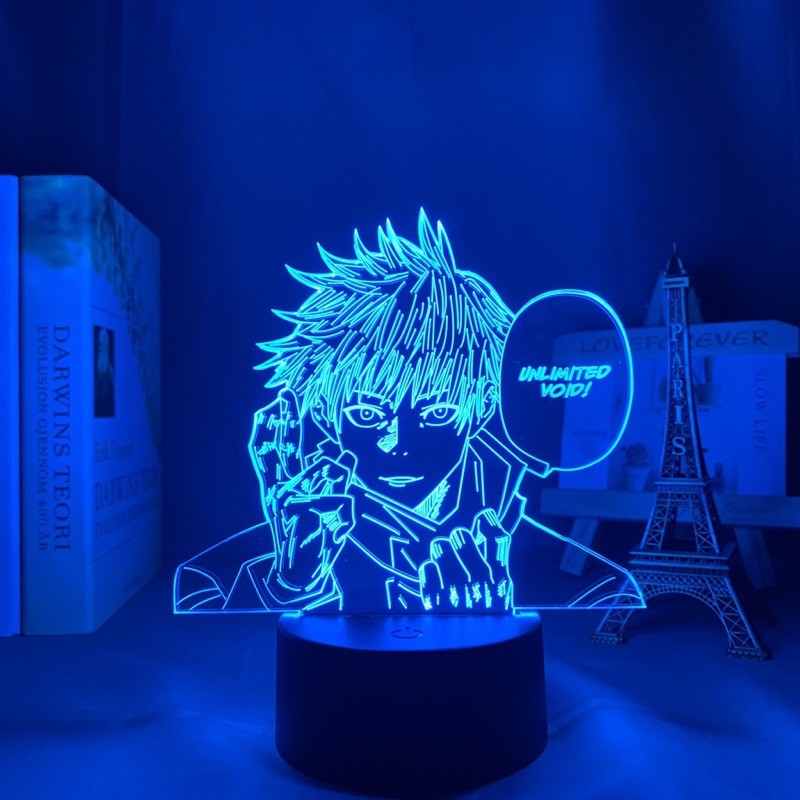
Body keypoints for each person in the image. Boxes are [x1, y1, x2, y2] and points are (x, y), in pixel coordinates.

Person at [174, 211, 644, 614]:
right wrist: (288, 582)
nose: (397, 445)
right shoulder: (212, 582)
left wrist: (491, 631)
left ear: (483, 404)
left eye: (436, 414)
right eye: (366, 415)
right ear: (326, 411)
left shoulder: (593, 590)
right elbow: (234, 664)